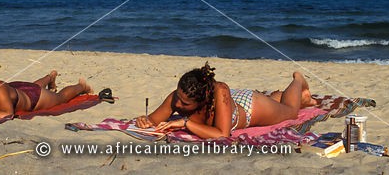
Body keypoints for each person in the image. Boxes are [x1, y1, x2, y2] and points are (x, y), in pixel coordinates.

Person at [135, 62, 317, 139]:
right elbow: (152, 120)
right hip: (228, 103)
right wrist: (145, 121)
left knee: (290, 111)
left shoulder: (219, 91)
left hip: (251, 107)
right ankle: (299, 98)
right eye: (178, 98)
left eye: (185, 104)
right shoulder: (179, 96)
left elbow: (223, 134)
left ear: (203, 101)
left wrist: (185, 123)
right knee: (275, 101)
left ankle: (298, 81)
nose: (177, 105)